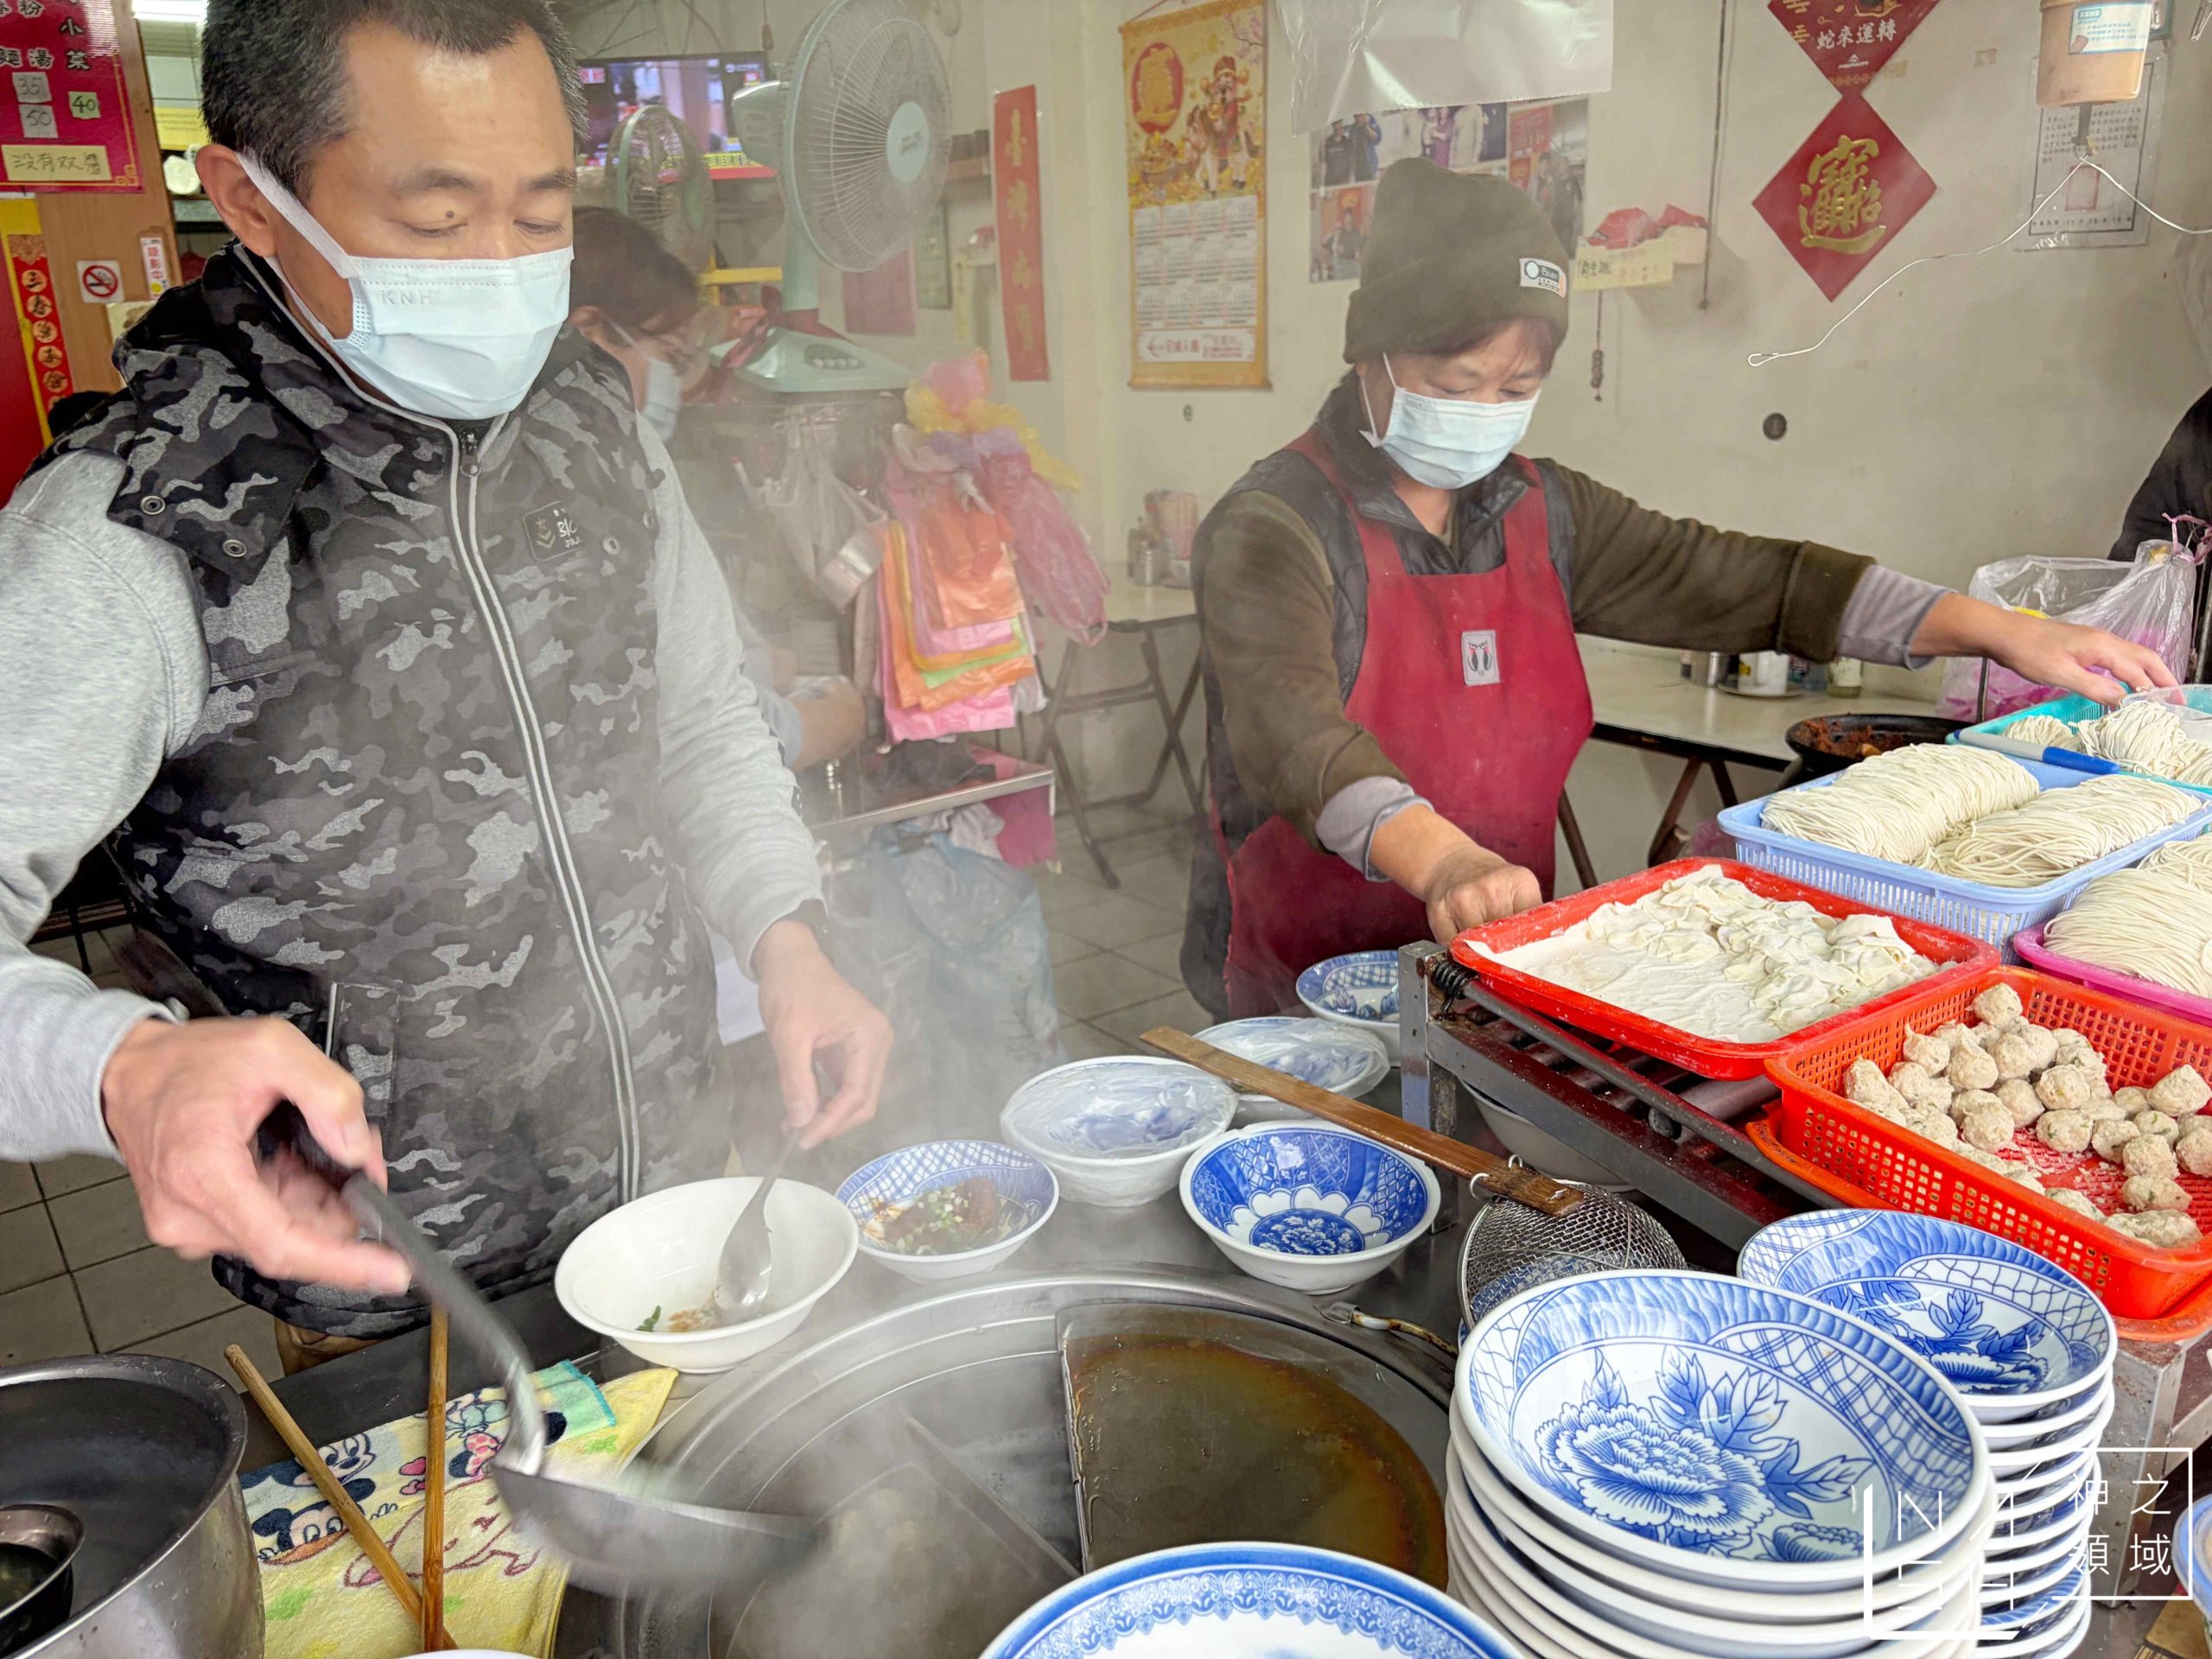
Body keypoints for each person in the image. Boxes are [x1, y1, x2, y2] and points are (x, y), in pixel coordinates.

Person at [0, 0, 892, 1351]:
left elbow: (703, 723)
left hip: (671, 1218)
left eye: (541, 216)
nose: (500, 268)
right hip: (389, 1297)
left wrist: (786, 935)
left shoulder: (597, 430)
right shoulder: (140, 526)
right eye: (435, 221)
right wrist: (120, 1068)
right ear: (249, 198)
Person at [1183, 160, 2175, 1020]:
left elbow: (1745, 578)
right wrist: (1440, 858)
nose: (1485, 412)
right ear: (1372, 355)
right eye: (1455, 380)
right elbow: (1291, 731)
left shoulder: (1543, 509)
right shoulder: (1274, 523)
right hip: (1304, 966)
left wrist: (1993, 630)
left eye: (1514, 388)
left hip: (1492, 949)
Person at [566, 207, 867, 770]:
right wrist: (837, 719)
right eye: (671, 358)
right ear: (589, 331)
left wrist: (761, 662)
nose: (674, 386)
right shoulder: (588, 507)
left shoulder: (621, 476)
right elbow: (696, 725)